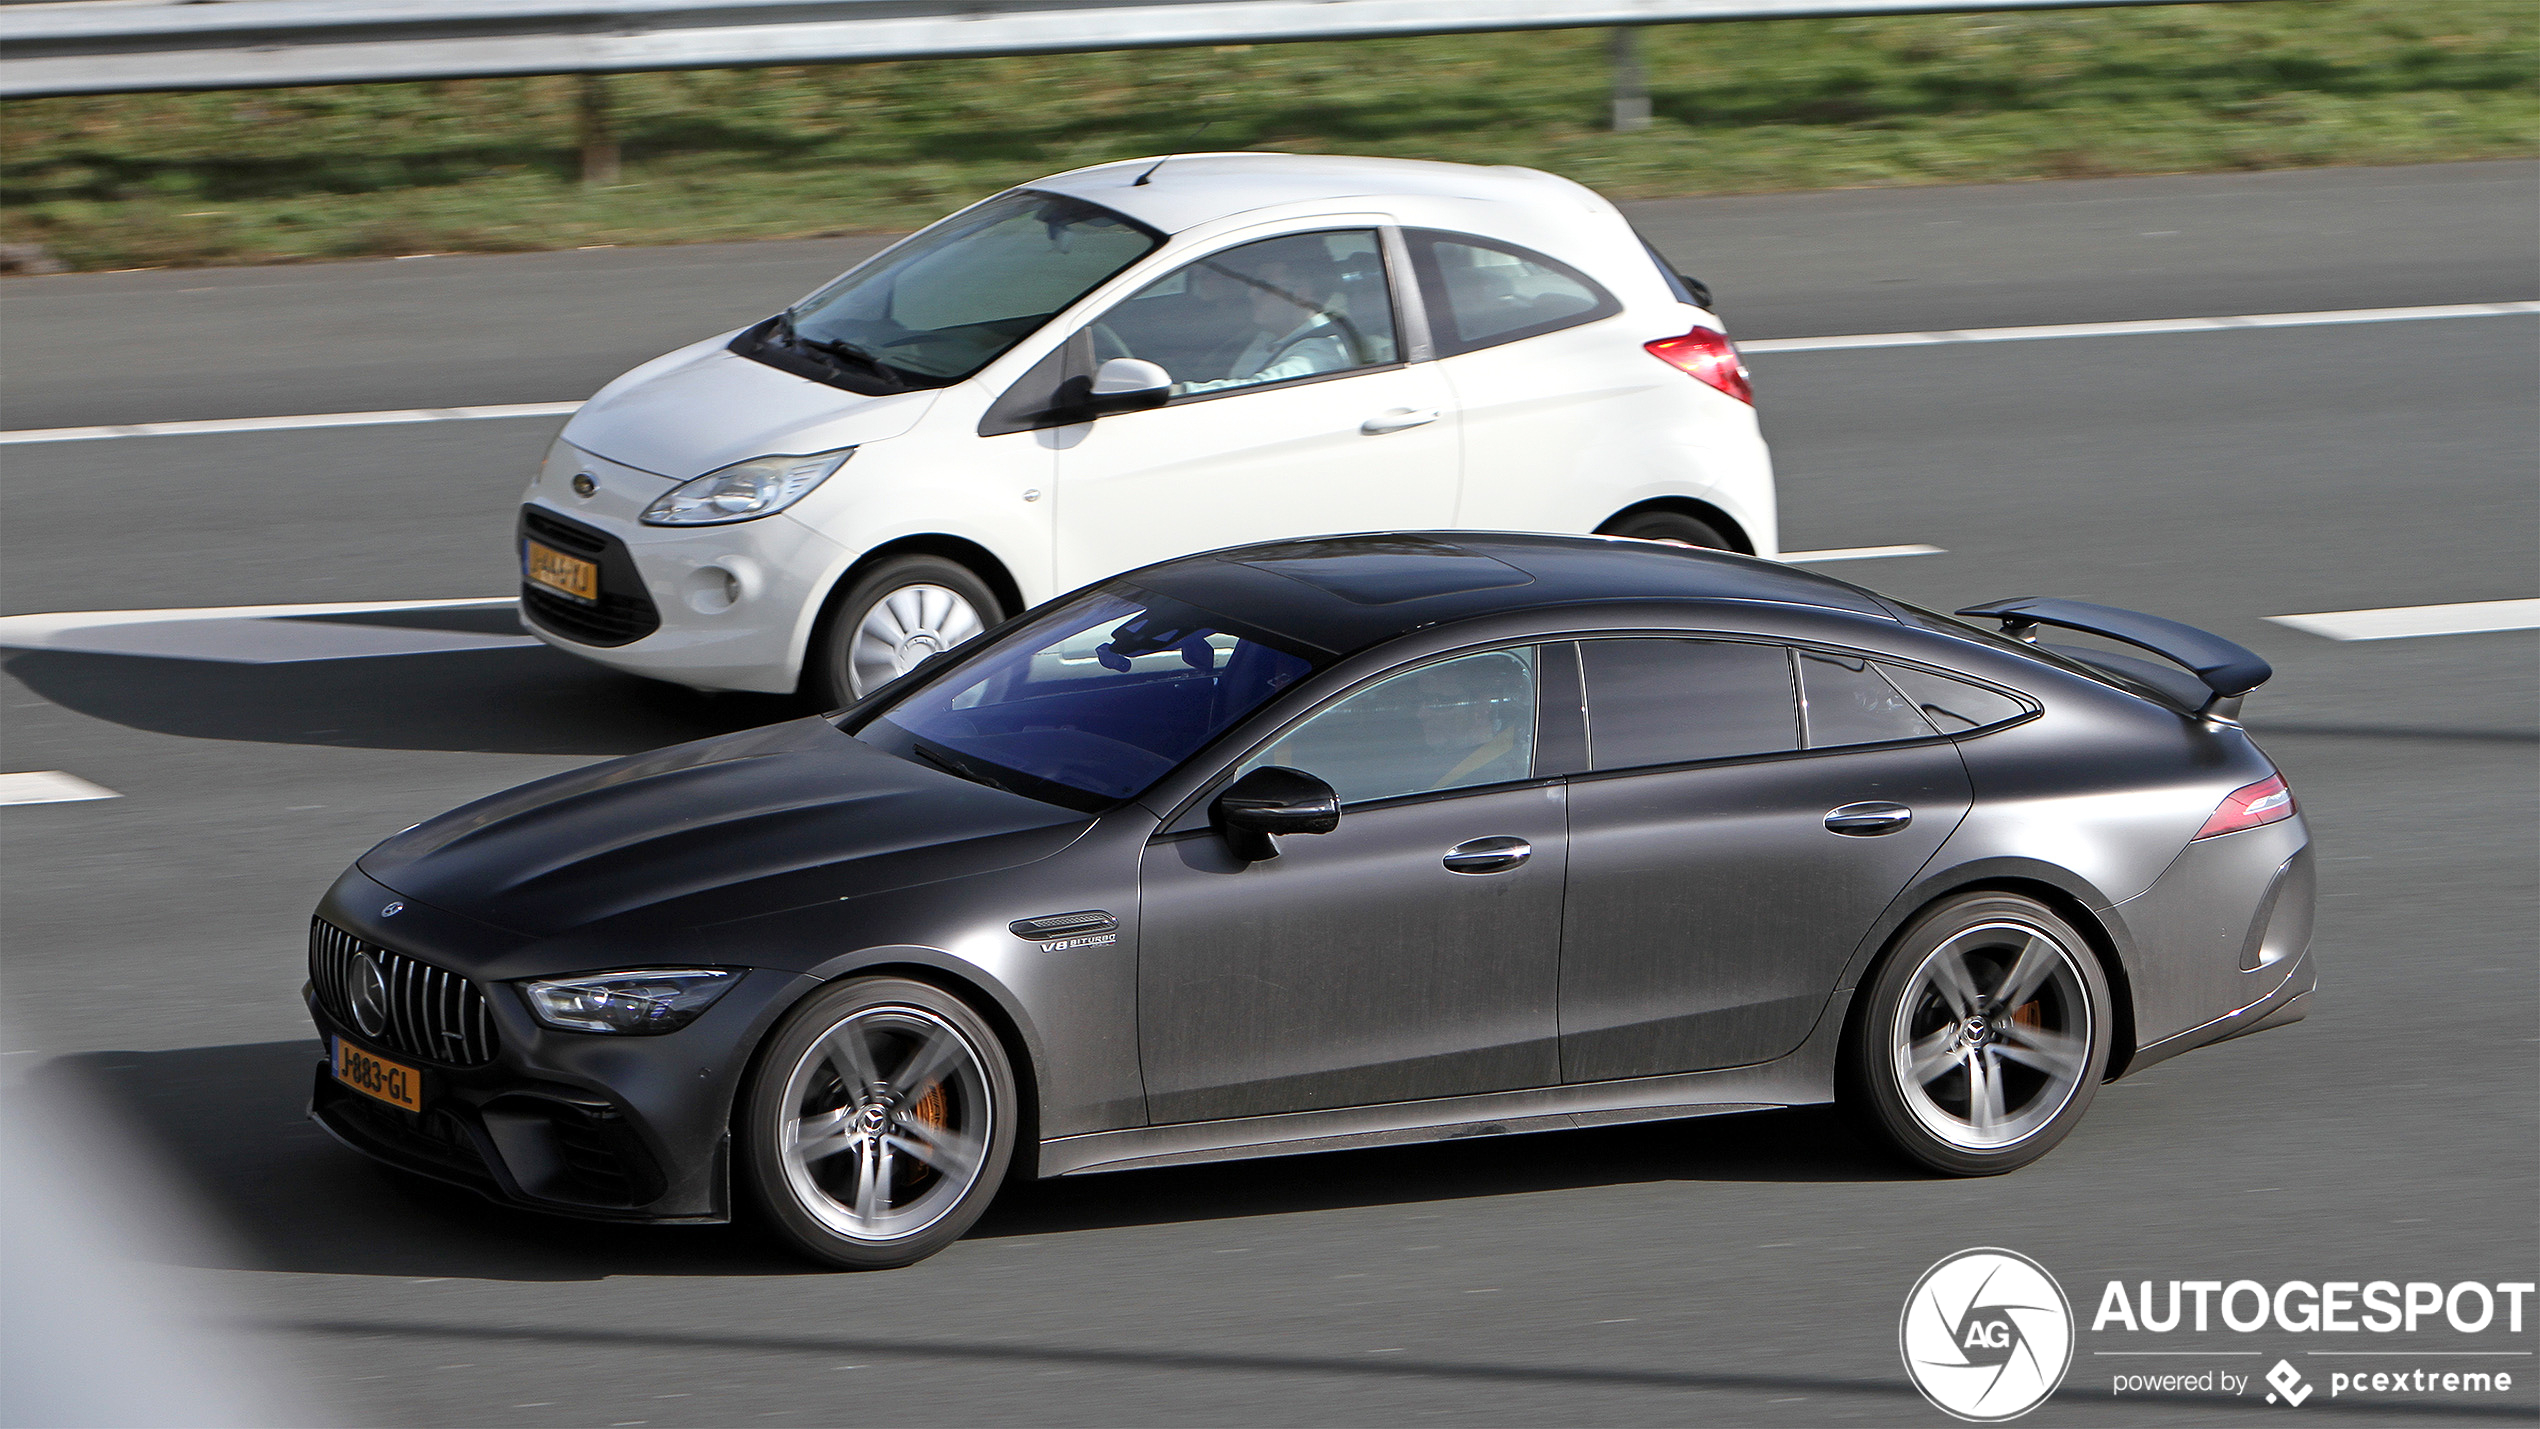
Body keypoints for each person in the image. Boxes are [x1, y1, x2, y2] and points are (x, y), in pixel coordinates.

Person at [1176, 245, 1362, 394]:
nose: (1251, 293)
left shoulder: (1320, 353)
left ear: (1301, 294)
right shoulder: (1268, 335)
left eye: (1263, 286)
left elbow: (1255, 391)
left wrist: (1181, 391)